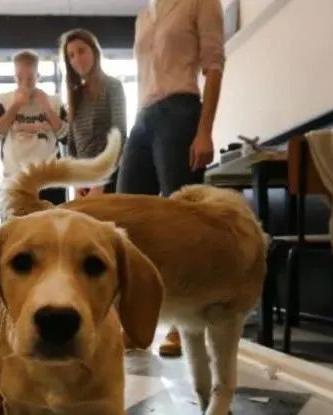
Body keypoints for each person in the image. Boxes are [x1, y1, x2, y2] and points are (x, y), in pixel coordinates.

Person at [117, 0, 225, 357]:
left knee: (182, 222)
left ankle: (184, 323)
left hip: (181, 110)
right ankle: (134, 323)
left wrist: (205, 130)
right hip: (143, 118)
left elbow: (213, 65)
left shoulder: (200, 2)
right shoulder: (144, 14)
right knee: (124, 218)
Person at [0, 49, 69, 205]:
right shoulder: (3, 101)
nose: (24, 83)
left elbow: (68, 138)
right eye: (20, 78)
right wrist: (16, 106)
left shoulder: (54, 101)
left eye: (29, 79)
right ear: (15, 77)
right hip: (15, 181)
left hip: (50, 183)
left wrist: (47, 109)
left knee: (51, 228)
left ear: (37, 76)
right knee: (16, 228)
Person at [60, 28, 126, 196]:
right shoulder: (76, 95)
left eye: (82, 51)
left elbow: (119, 137)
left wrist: (101, 181)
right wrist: (76, 182)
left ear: (94, 52)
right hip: (83, 181)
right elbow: (72, 145)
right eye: (71, 55)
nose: (77, 59)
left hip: (108, 178)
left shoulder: (112, 86)